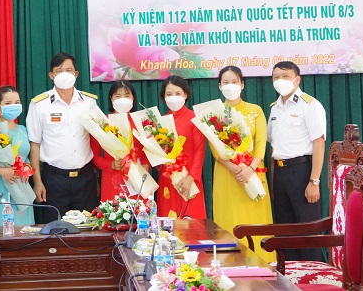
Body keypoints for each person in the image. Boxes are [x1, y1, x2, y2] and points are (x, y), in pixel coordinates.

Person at [211, 66, 274, 262]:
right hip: (226, 174)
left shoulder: (255, 111)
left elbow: (261, 144)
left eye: (234, 82)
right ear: (219, 86)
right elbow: (215, 149)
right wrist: (233, 168)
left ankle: (262, 263)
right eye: (226, 82)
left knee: (255, 221)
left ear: (242, 84)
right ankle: (229, 264)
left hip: (253, 173)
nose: (230, 86)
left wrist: (250, 168)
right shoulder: (214, 114)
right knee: (228, 219)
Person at [267, 61, 327, 262]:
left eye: (285, 76)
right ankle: (289, 274)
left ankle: (312, 274)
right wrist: (274, 181)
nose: (280, 81)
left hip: (302, 171)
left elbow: (319, 143)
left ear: (297, 79)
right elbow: (273, 147)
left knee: (307, 229)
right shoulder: (275, 108)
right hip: (280, 173)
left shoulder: (310, 105)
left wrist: (314, 181)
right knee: (285, 230)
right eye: (276, 77)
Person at [27, 52, 100, 218]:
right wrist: (37, 182)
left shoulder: (89, 102)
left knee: (88, 229)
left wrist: (96, 178)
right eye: (59, 71)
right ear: (51, 75)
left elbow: (95, 140)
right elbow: (34, 144)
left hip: (85, 179)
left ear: (76, 74)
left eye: (69, 70)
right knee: (56, 228)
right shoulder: (39, 104)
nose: (64, 74)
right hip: (54, 180)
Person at [0, 86, 35, 226]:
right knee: (4, 226)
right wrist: (3, 171)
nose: (14, 106)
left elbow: (25, 156)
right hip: (2, 183)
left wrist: (27, 168)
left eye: (17, 102)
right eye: (8, 103)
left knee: (24, 228)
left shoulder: (23, 129)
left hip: (22, 185)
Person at [156, 75, 206, 219]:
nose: (173, 97)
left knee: (191, 221)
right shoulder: (159, 122)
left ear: (185, 94)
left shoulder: (194, 118)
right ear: (163, 97)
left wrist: (190, 178)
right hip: (168, 177)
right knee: (168, 223)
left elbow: (200, 151)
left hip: (190, 179)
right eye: (169, 94)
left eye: (178, 93)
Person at [91, 80, 146, 202]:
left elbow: (148, 152)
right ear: (111, 98)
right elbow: (93, 156)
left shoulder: (142, 122)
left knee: (139, 212)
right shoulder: (103, 123)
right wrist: (111, 165)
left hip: (138, 177)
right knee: (114, 212)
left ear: (133, 98)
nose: (122, 99)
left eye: (127, 95)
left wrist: (145, 169)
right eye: (118, 96)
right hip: (112, 178)